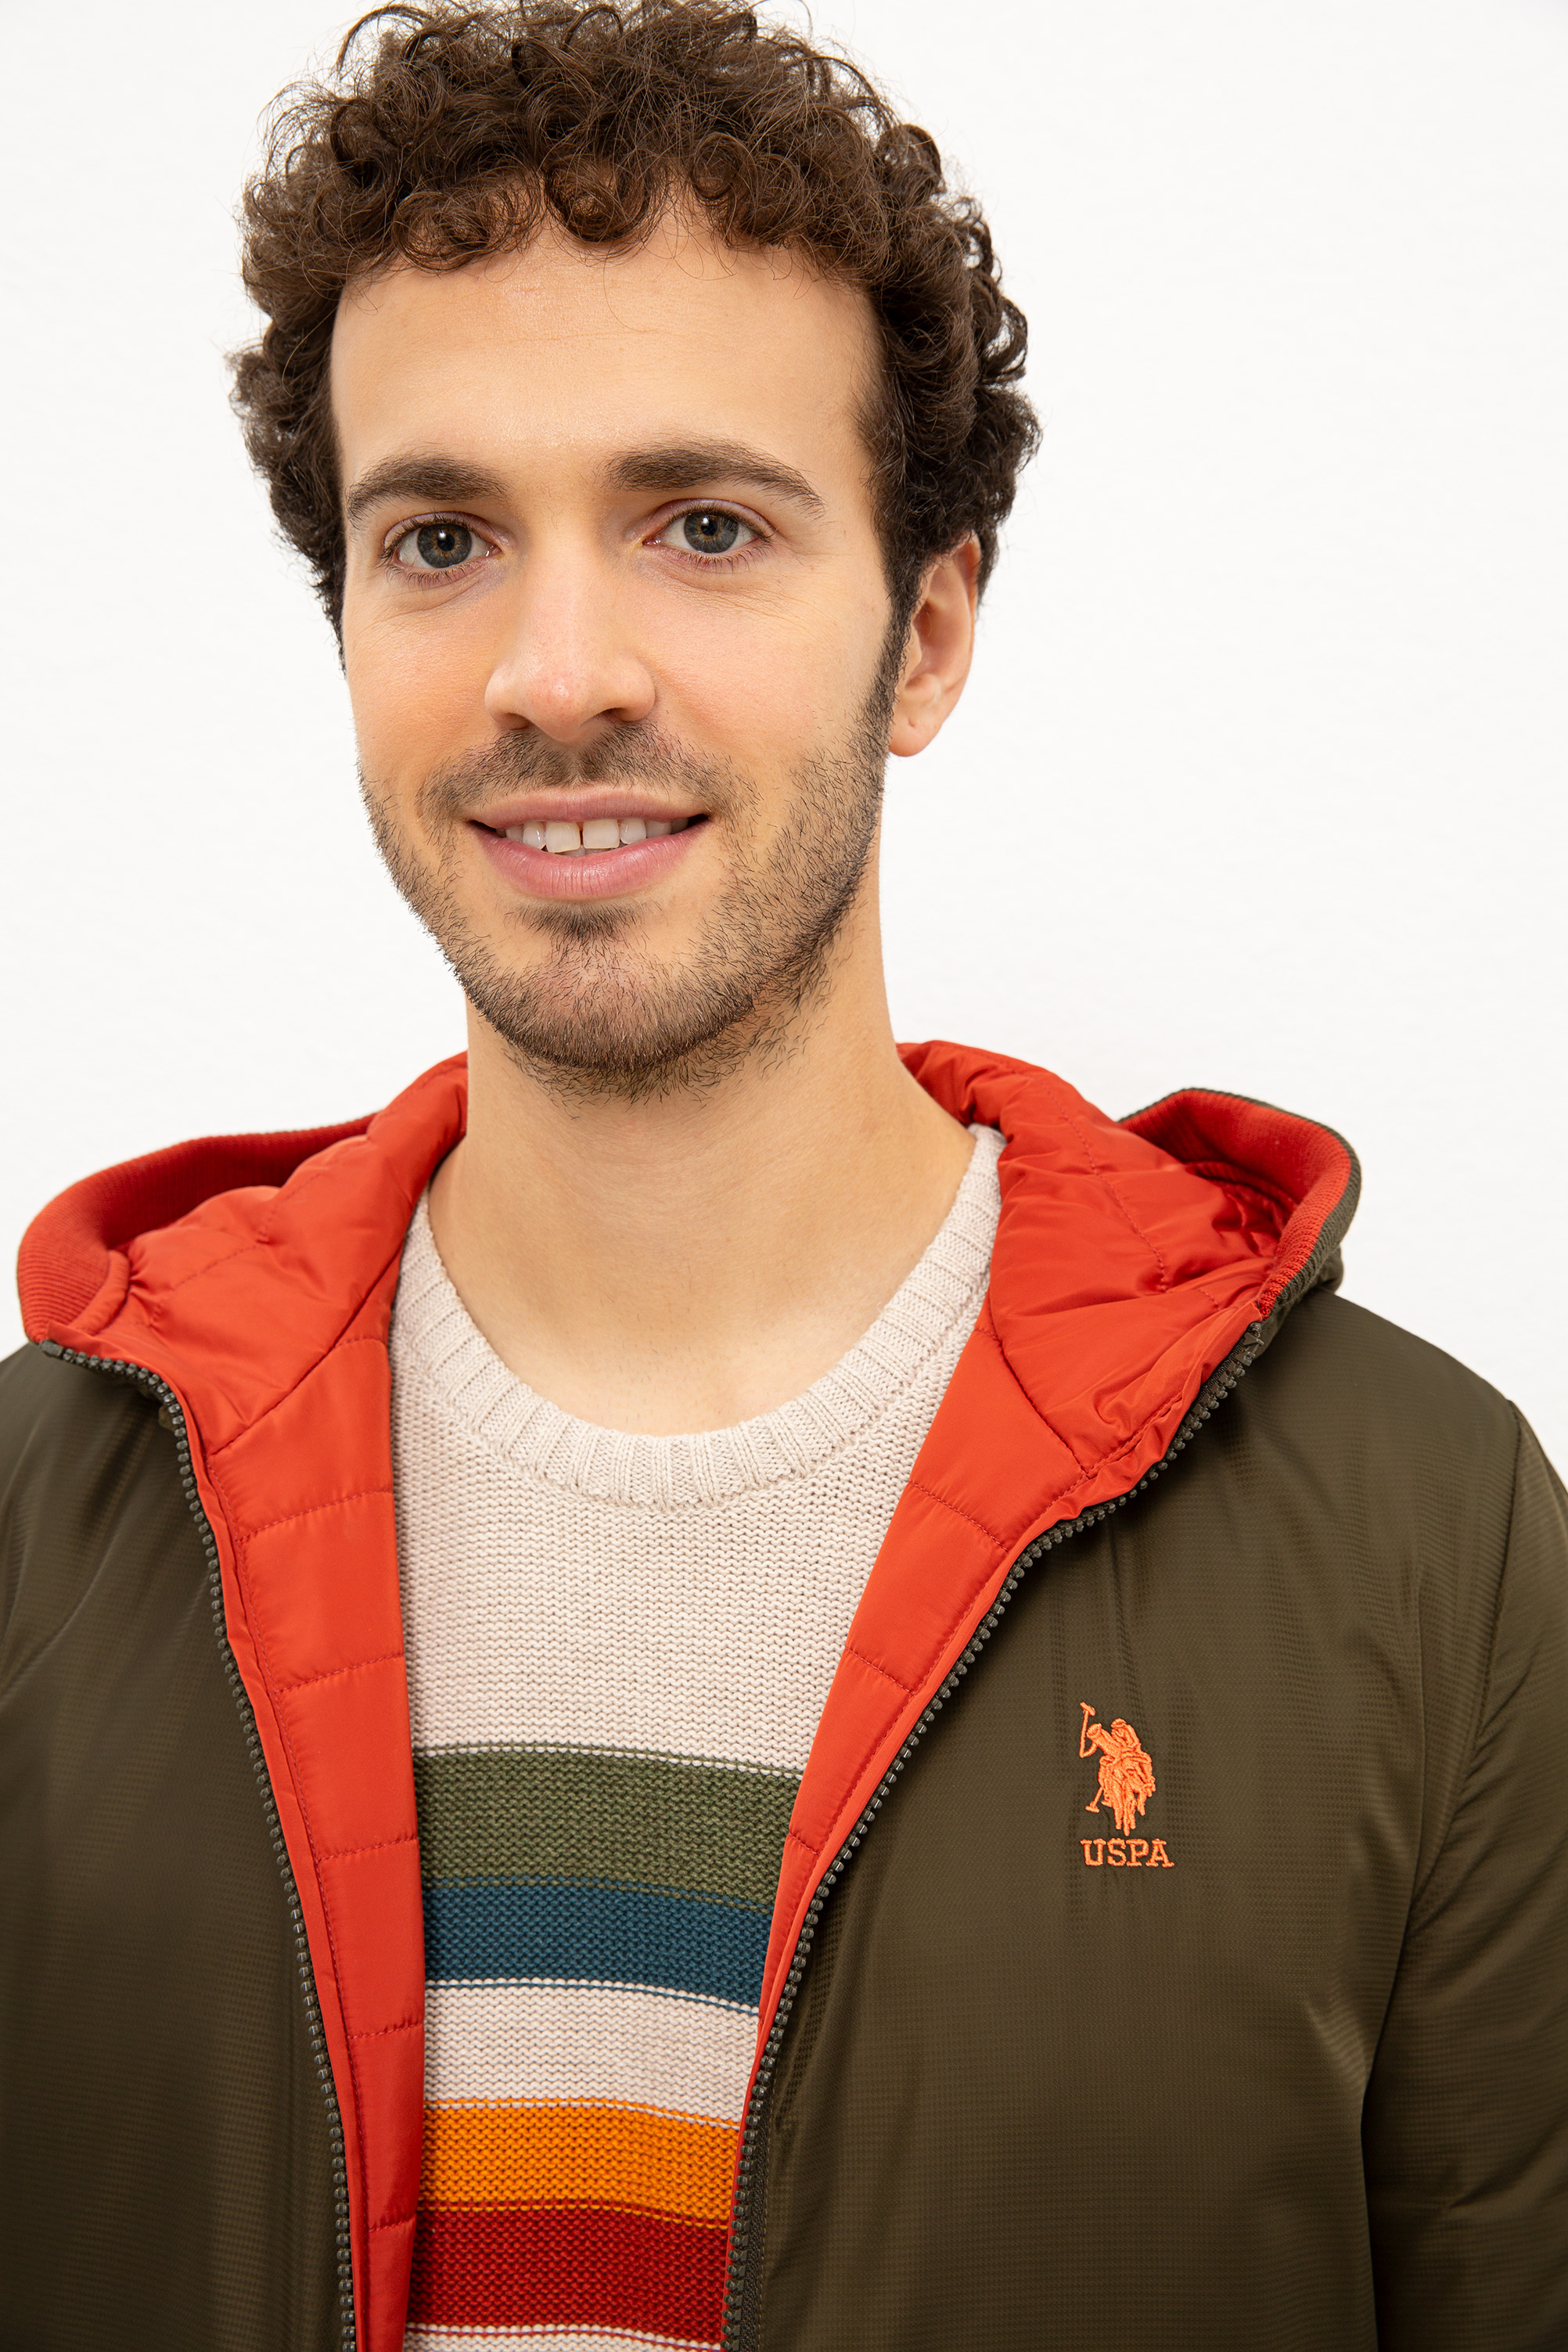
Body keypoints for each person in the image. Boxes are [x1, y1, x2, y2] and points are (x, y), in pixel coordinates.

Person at [2, 2, 1563, 2345]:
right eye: (440, 539)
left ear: (923, 634)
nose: (555, 673)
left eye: (704, 527)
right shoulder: (33, 1533)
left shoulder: (1425, 1540)